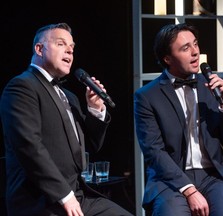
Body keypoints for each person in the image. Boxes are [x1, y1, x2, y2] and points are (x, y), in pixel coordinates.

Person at [0, 23, 133, 216]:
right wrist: (64, 195)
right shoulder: (22, 87)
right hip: (42, 200)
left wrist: (95, 110)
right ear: (39, 49)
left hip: (80, 195)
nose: (69, 50)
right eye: (61, 44)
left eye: (72, 47)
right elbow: (28, 146)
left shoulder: (69, 96)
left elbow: (91, 146)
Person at [134, 23, 223, 216]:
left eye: (195, 44)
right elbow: (154, 151)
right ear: (167, 58)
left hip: (213, 176)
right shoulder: (147, 96)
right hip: (170, 178)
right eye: (185, 48)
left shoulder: (212, 87)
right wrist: (189, 189)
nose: (195, 53)